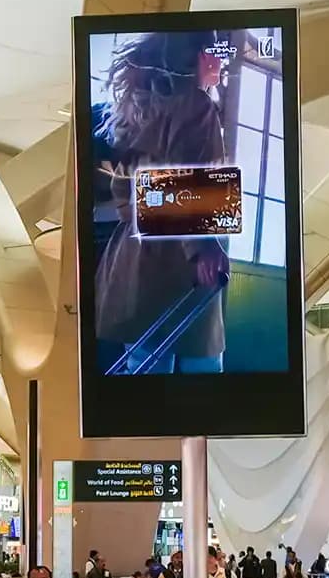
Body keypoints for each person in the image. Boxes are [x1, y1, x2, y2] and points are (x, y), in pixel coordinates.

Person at [88, 29, 233, 374]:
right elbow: (187, 180)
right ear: (193, 55)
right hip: (177, 262)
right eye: (214, 50)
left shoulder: (136, 111)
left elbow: (130, 189)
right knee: (203, 376)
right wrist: (203, 247)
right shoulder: (195, 104)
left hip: (132, 257)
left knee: (144, 374)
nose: (222, 59)